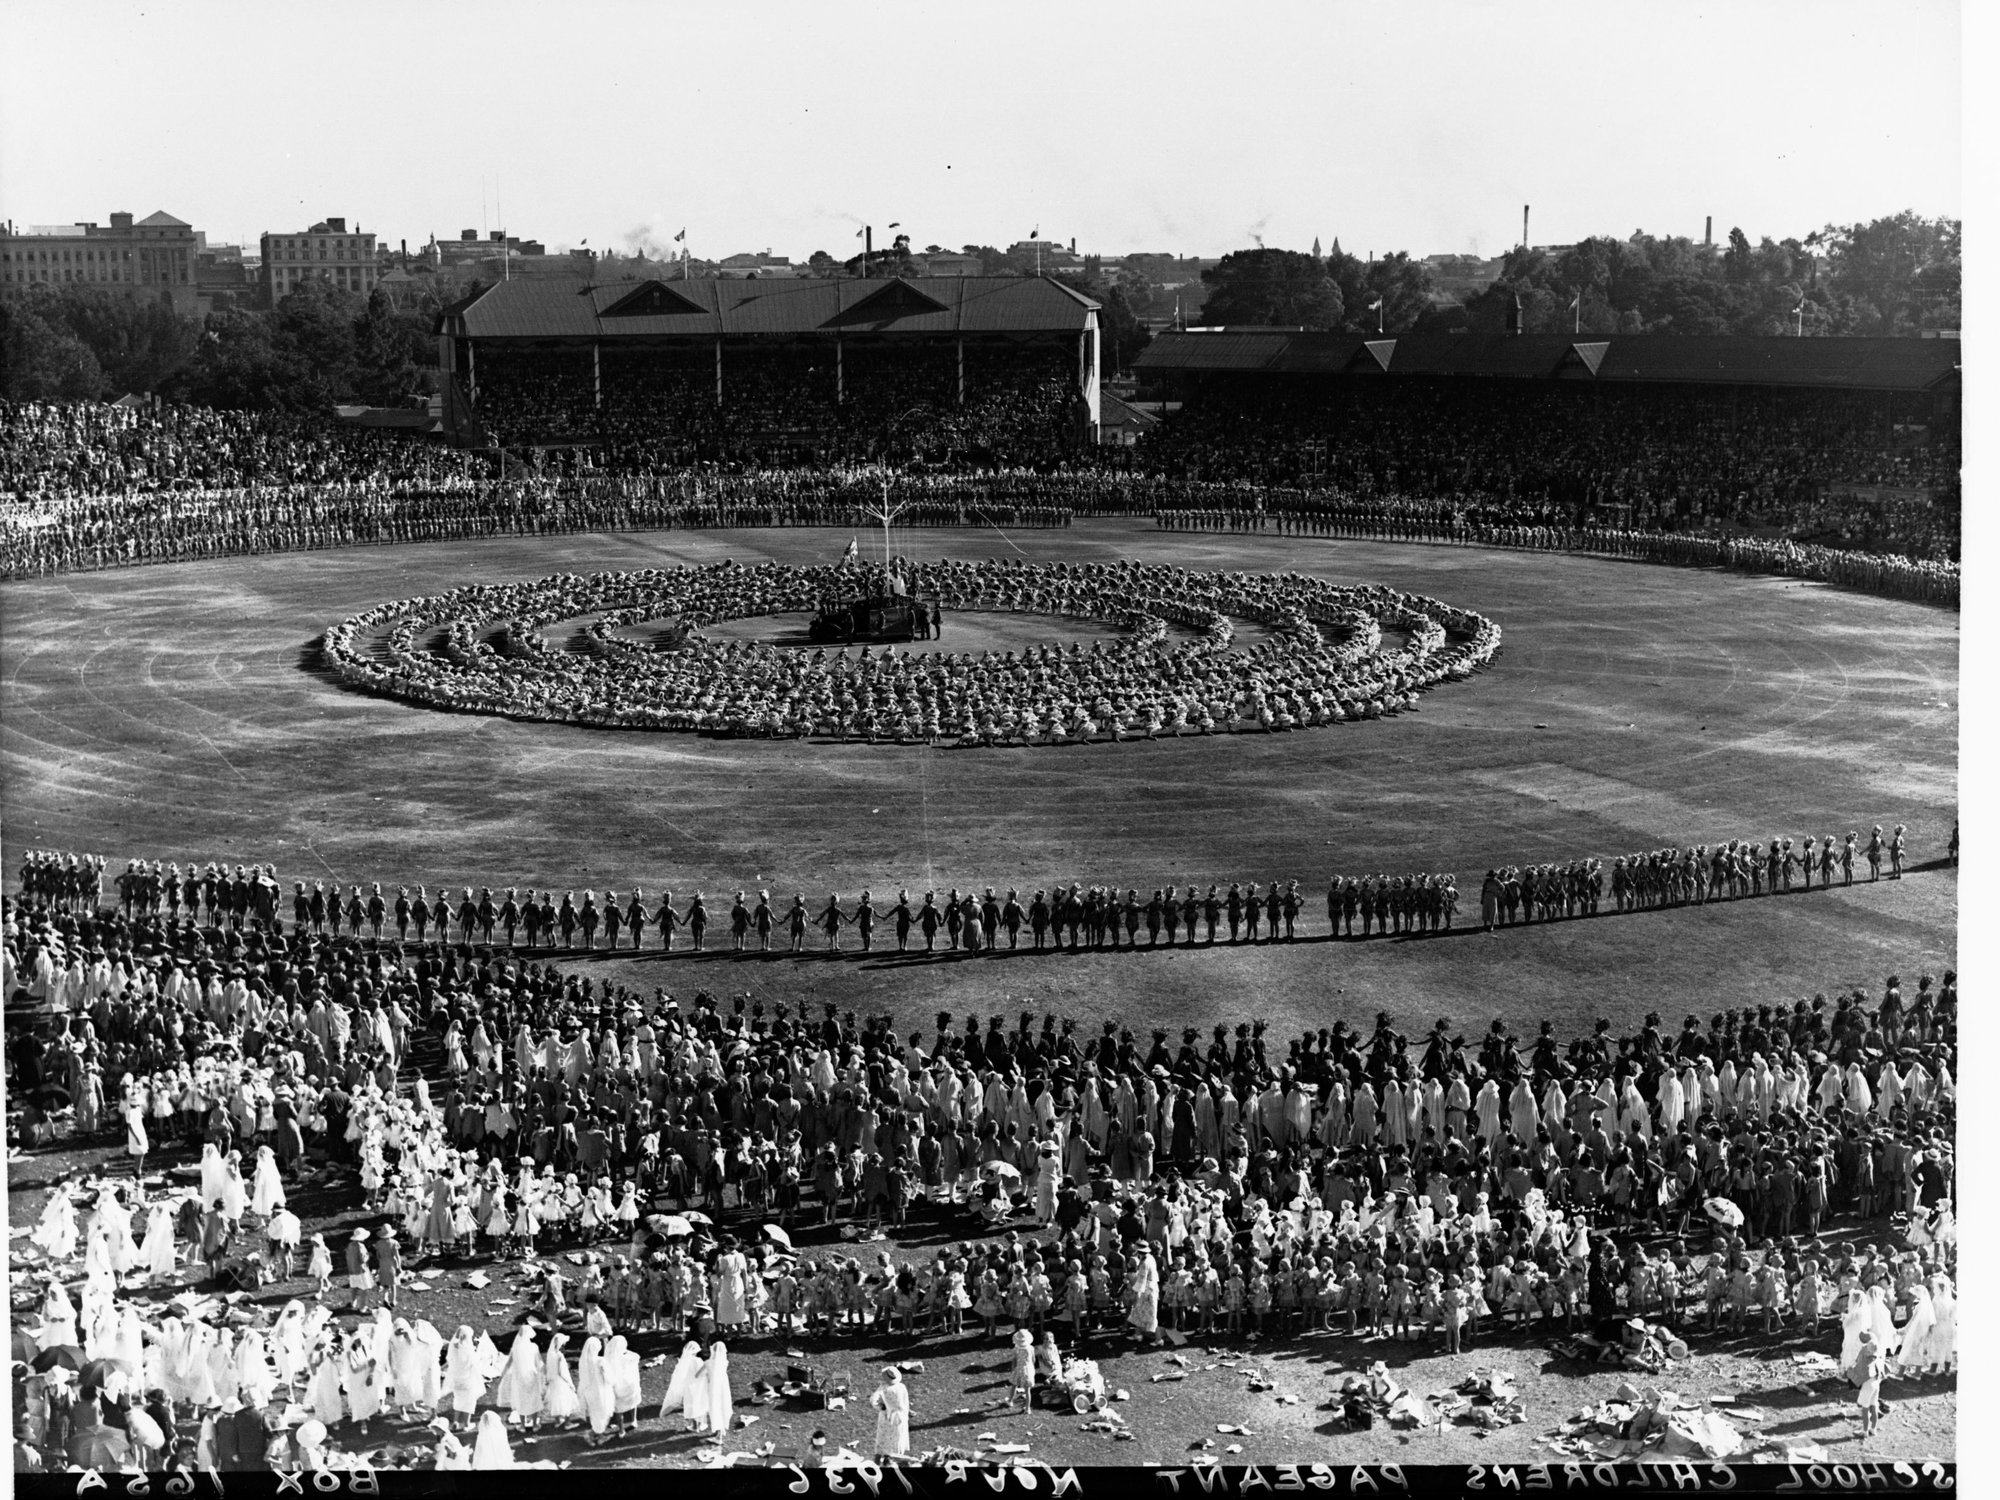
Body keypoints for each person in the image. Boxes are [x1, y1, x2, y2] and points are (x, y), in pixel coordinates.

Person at [871, 1366, 910, 1463]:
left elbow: (873, 1399)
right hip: (900, 1416)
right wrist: (906, 1413)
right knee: (897, 1438)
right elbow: (906, 1402)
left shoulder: (884, 1388)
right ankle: (892, 1460)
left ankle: (878, 1459)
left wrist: (880, 1407)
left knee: (882, 1437)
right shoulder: (902, 1387)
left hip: (887, 1415)